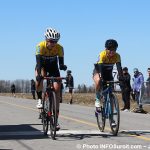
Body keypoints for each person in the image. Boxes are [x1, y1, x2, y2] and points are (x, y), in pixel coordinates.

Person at [35, 27, 67, 129]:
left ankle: (55, 120)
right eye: (51, 41)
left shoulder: (60, 48)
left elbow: (61, 63)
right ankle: (40, 99)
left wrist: (62, 66)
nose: (53, 43)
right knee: (38, 79)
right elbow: (39, 63)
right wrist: (39, 75)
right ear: (46, 40)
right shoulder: (40, 46)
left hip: (53, 68)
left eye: (55, 41)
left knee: (57, 89)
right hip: (42, 66)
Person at [93, 39, 123, 117]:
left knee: (110, 95)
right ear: (106, 49)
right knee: (99, 80)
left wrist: (121, 78)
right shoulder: (102, 54)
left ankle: (111, 118)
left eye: (114, 49)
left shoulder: (117, 56)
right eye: (110, 49)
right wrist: (101, 78)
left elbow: (119, 68)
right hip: (98, 70)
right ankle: (97, 98)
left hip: (108, 73)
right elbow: (100, 69)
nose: (112, 52)